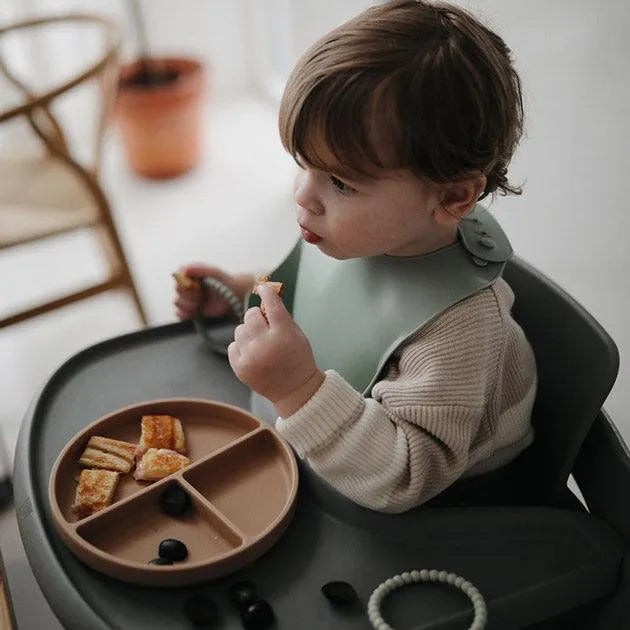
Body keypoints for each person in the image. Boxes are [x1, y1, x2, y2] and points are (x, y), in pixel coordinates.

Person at [173, 0, 537, 513]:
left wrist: (298, 390)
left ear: (454, 198)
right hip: (339, 448)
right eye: (303, 164)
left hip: (452, 508)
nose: (304, 194)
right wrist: (240, 294)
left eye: (341, 182)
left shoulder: (460, 332)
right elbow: (326, 300)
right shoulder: (355, 231)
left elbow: (407, 477)